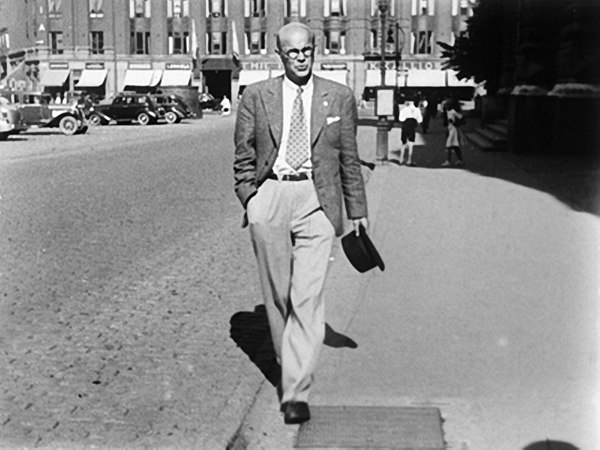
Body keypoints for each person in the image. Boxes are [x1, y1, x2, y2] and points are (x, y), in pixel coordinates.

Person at [233, 22, 368, 425]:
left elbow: (348, 158)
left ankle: (295, 391)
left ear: (315, 50)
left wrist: (357, 210)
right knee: (278, 296)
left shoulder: (338, 96)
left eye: (307, 50)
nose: (301, 57)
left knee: (307, 297)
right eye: (292, 52)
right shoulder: (257, 96)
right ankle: (286, 356)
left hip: (317, 199)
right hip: (271, 194)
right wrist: (251, 199)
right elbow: (243, 156)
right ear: (280, 55)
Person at [397, 99, 423, 166]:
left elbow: (400, 119)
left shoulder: (403, 110)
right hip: (412, 127)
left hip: (405, 126)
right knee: (411, 144)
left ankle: (401, 159)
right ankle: (409, 160)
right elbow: (420, 120)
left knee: (403, 143)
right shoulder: (417, 110)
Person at [442, 99, 465, 167]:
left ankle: (448, 161)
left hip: (454, 130)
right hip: (450, 130)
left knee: (449, 145)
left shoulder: (453, 112)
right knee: (455, 146)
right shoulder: (447, 112)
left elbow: (461, 118)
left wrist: (454, 122)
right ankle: (460, 160)